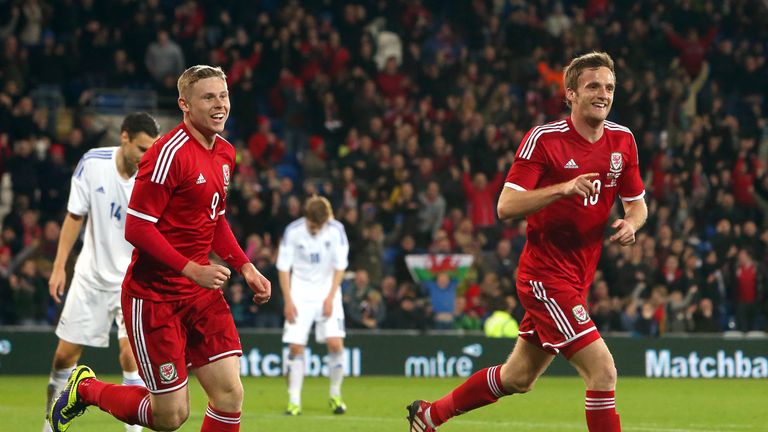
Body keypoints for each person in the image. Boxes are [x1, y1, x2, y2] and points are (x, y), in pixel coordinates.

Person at [407, 51, 647, 432]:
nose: (603, 94)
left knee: (519, 377)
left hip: (577, 278)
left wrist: (632, 224)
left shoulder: (623, 140)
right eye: (593, 87)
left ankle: (429, 414)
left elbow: (638, 205)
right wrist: (563, 188)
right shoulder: (544, 139)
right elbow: (505, 205)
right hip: (545, 277)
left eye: (609, 87)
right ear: (570, 94)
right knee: (603, 372)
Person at [49, 65, 272, 432]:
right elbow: (136, 227)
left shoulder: (226, 154)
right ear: (184, 104)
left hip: (201, 295)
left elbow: (213, 219)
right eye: (208, 97)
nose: (220, 105)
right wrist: (191, 268)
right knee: (170, 416)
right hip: (154, 298)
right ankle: (85, 389)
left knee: (230, 395)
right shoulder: (166, 154)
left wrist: (245, 266)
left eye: (223, 96)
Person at [43, 112, 160, 432]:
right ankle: (49, 423)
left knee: (130, 355)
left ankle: (133, 431)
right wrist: (58, 266)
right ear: (124, 137)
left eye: (151, 150)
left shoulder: (153, 176)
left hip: (133, 281)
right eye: (141, 149)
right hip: (90, 277)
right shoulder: (93, 163)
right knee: (64, 357)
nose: (145, 157)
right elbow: (74, 217)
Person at [277, 196, 350, 416]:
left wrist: (330, 297)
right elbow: (283, 268)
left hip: (328, 292)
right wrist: (288, 300)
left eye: (319, 225)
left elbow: (340, 267)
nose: (315, 229)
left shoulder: (337, 230)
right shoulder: (292, 231)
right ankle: (294, 401)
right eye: (312, 224)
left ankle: (336, 396)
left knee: (335, 344)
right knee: (295, 348)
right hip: (299, 294)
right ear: (305, 217)